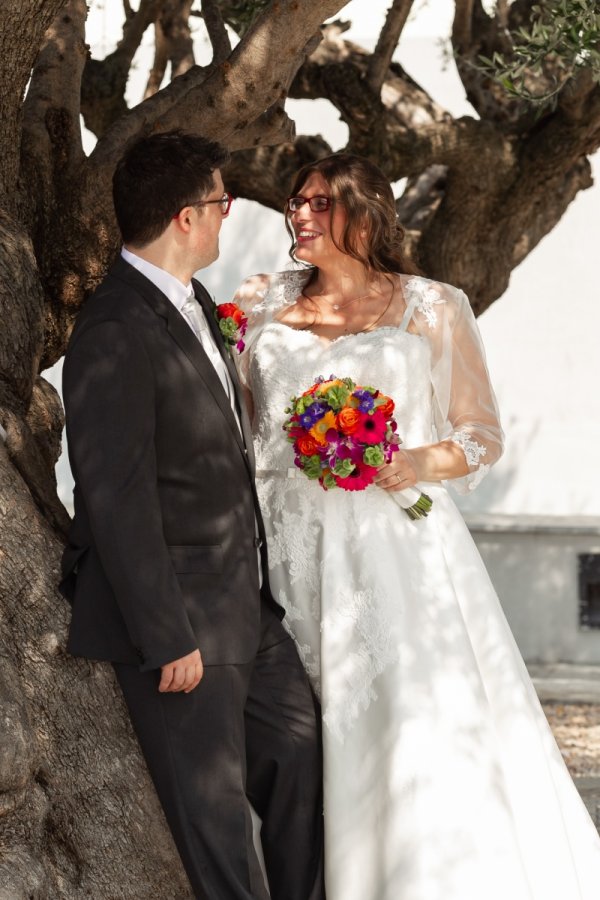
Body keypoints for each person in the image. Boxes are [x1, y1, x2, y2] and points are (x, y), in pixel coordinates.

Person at [234, 152, 600, 899]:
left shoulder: (433, 305)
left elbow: (481, 435)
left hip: (392, 550)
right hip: (282, 546)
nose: (298, 214)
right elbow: (235, 424)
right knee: (288, 734)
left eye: (317, 201)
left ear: (362, 213)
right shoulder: (256, 301)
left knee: (400, 724)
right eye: (293, 201)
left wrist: (413, 460)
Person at [60, 130, 324, 900]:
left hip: (249, 610)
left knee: (302, 764)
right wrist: (165, 633)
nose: (226, 216)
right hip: (180, 626)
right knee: (216, 842)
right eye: (222, 201)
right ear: (186, 216)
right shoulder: (113, 326)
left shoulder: (195, 300)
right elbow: (115, 493)